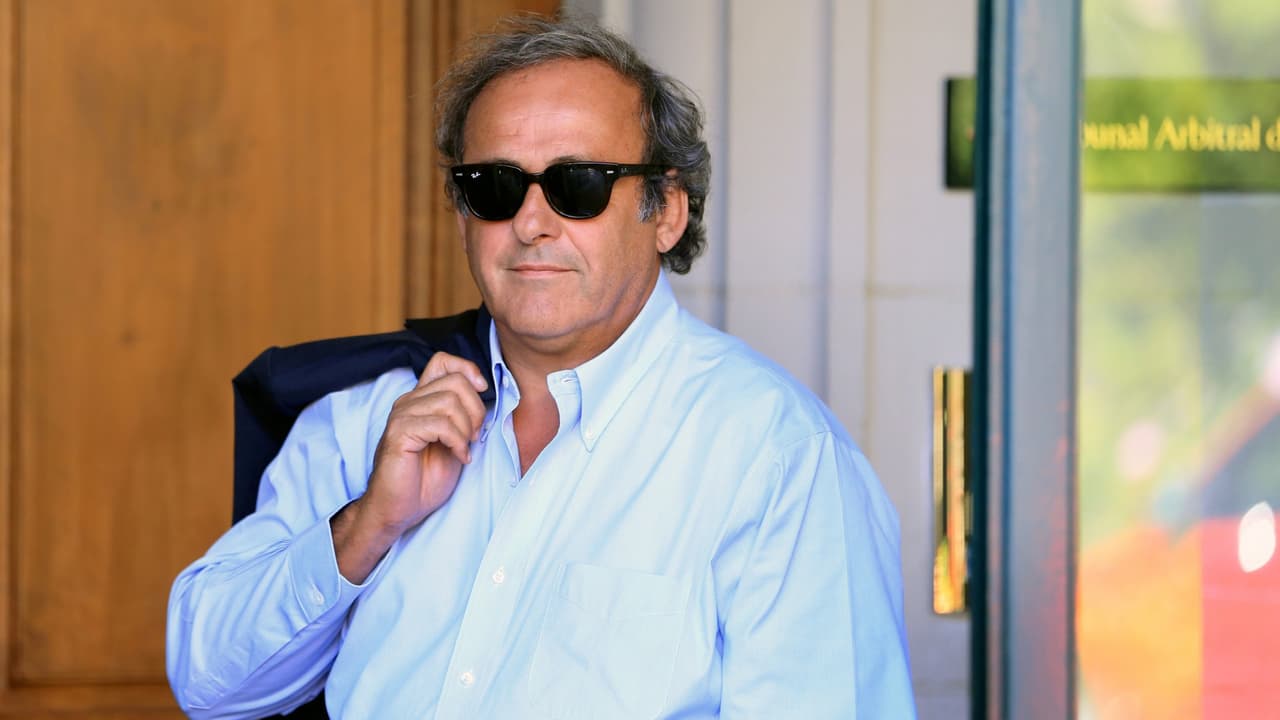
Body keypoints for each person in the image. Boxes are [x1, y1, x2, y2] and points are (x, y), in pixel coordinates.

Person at [167, 14, 914, 719]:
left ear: (667, 211)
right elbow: (208, 686)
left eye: (577, 184)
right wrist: (368, 524)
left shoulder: (779, 459)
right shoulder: (369, 415)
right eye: (494, 186)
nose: (529, 223)